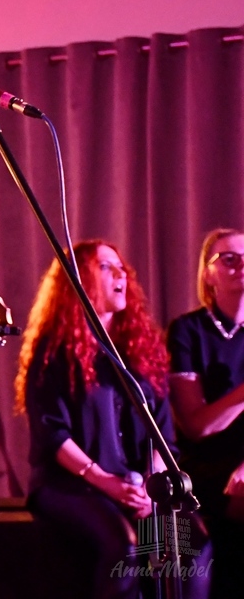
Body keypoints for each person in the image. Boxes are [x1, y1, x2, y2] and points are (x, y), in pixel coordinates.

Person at [16, 240, 211, 599]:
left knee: (190, 545)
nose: (121, 274)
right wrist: (107, 482)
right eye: (106, 267)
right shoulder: (53, 351)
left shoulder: (139, 350)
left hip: (139, 489)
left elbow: (162, 434)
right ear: (77, 280)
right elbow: (53, 434)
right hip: (73, 486)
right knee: (124, 546)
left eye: (122, 268)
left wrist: (150, 488)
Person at [168, 228, 244, 598]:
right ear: (208, 274)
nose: (241, 265)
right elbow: (196, 427)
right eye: (229, 259)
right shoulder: (188, 330)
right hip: (204, 465)